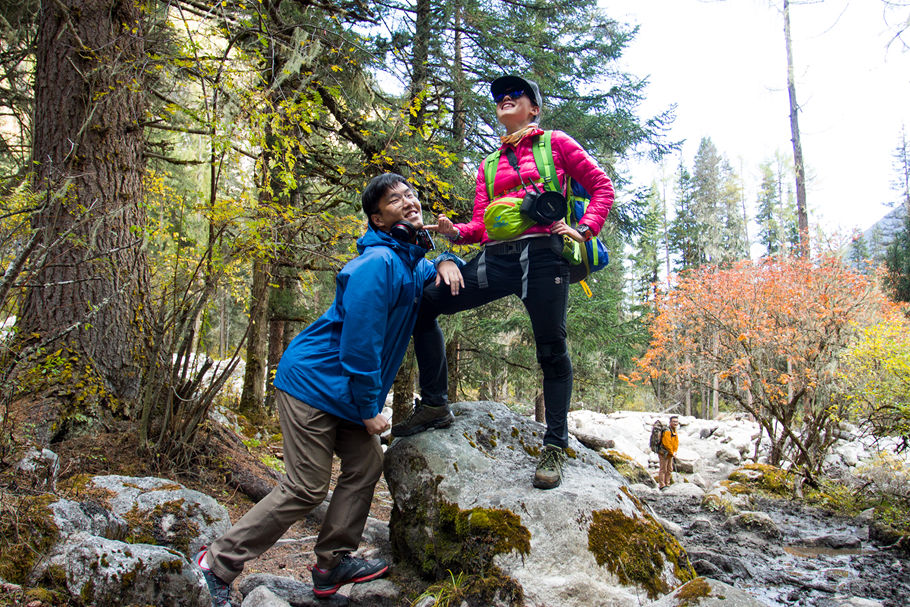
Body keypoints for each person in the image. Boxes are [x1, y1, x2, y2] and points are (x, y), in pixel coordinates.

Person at [194, 173, 464, 606]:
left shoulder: (410, 262)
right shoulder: (377, 264)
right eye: (396, 200)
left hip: (342, 390)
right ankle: (216, 563)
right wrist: (367, 407)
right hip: (313, 383)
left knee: (365, 464)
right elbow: (360, 346)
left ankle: (330, 565)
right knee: (306, 486)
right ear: (377, 219)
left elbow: (435, 275)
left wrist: (450, 256)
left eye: (411, 195)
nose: (410, 202)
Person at [392, 74, 614, 490]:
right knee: (424, 304)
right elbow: (481, 226)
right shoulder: (489, 164)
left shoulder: (557, 144)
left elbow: (602, 186)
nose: (505, 101)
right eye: (499, 99)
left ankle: (555, 444)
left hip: (544, 257)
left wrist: (584, 229)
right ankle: (436, 403)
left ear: (534, 109)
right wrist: (455, 232)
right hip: (495, 259)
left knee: (552, 348)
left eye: (516, 96)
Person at [658, 415, 680, 489]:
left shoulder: (674, 430)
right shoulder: (667, 431)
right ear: (670, 422)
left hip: (670, 454)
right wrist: (672, 452)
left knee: (669, 469)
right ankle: (662, 485)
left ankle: (667, 484)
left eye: (676, 422)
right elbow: (667, 443)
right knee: (663, 469)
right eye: (673, 421)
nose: (675, 423)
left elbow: (676, 442)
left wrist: (675, 451)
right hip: (663, 453)